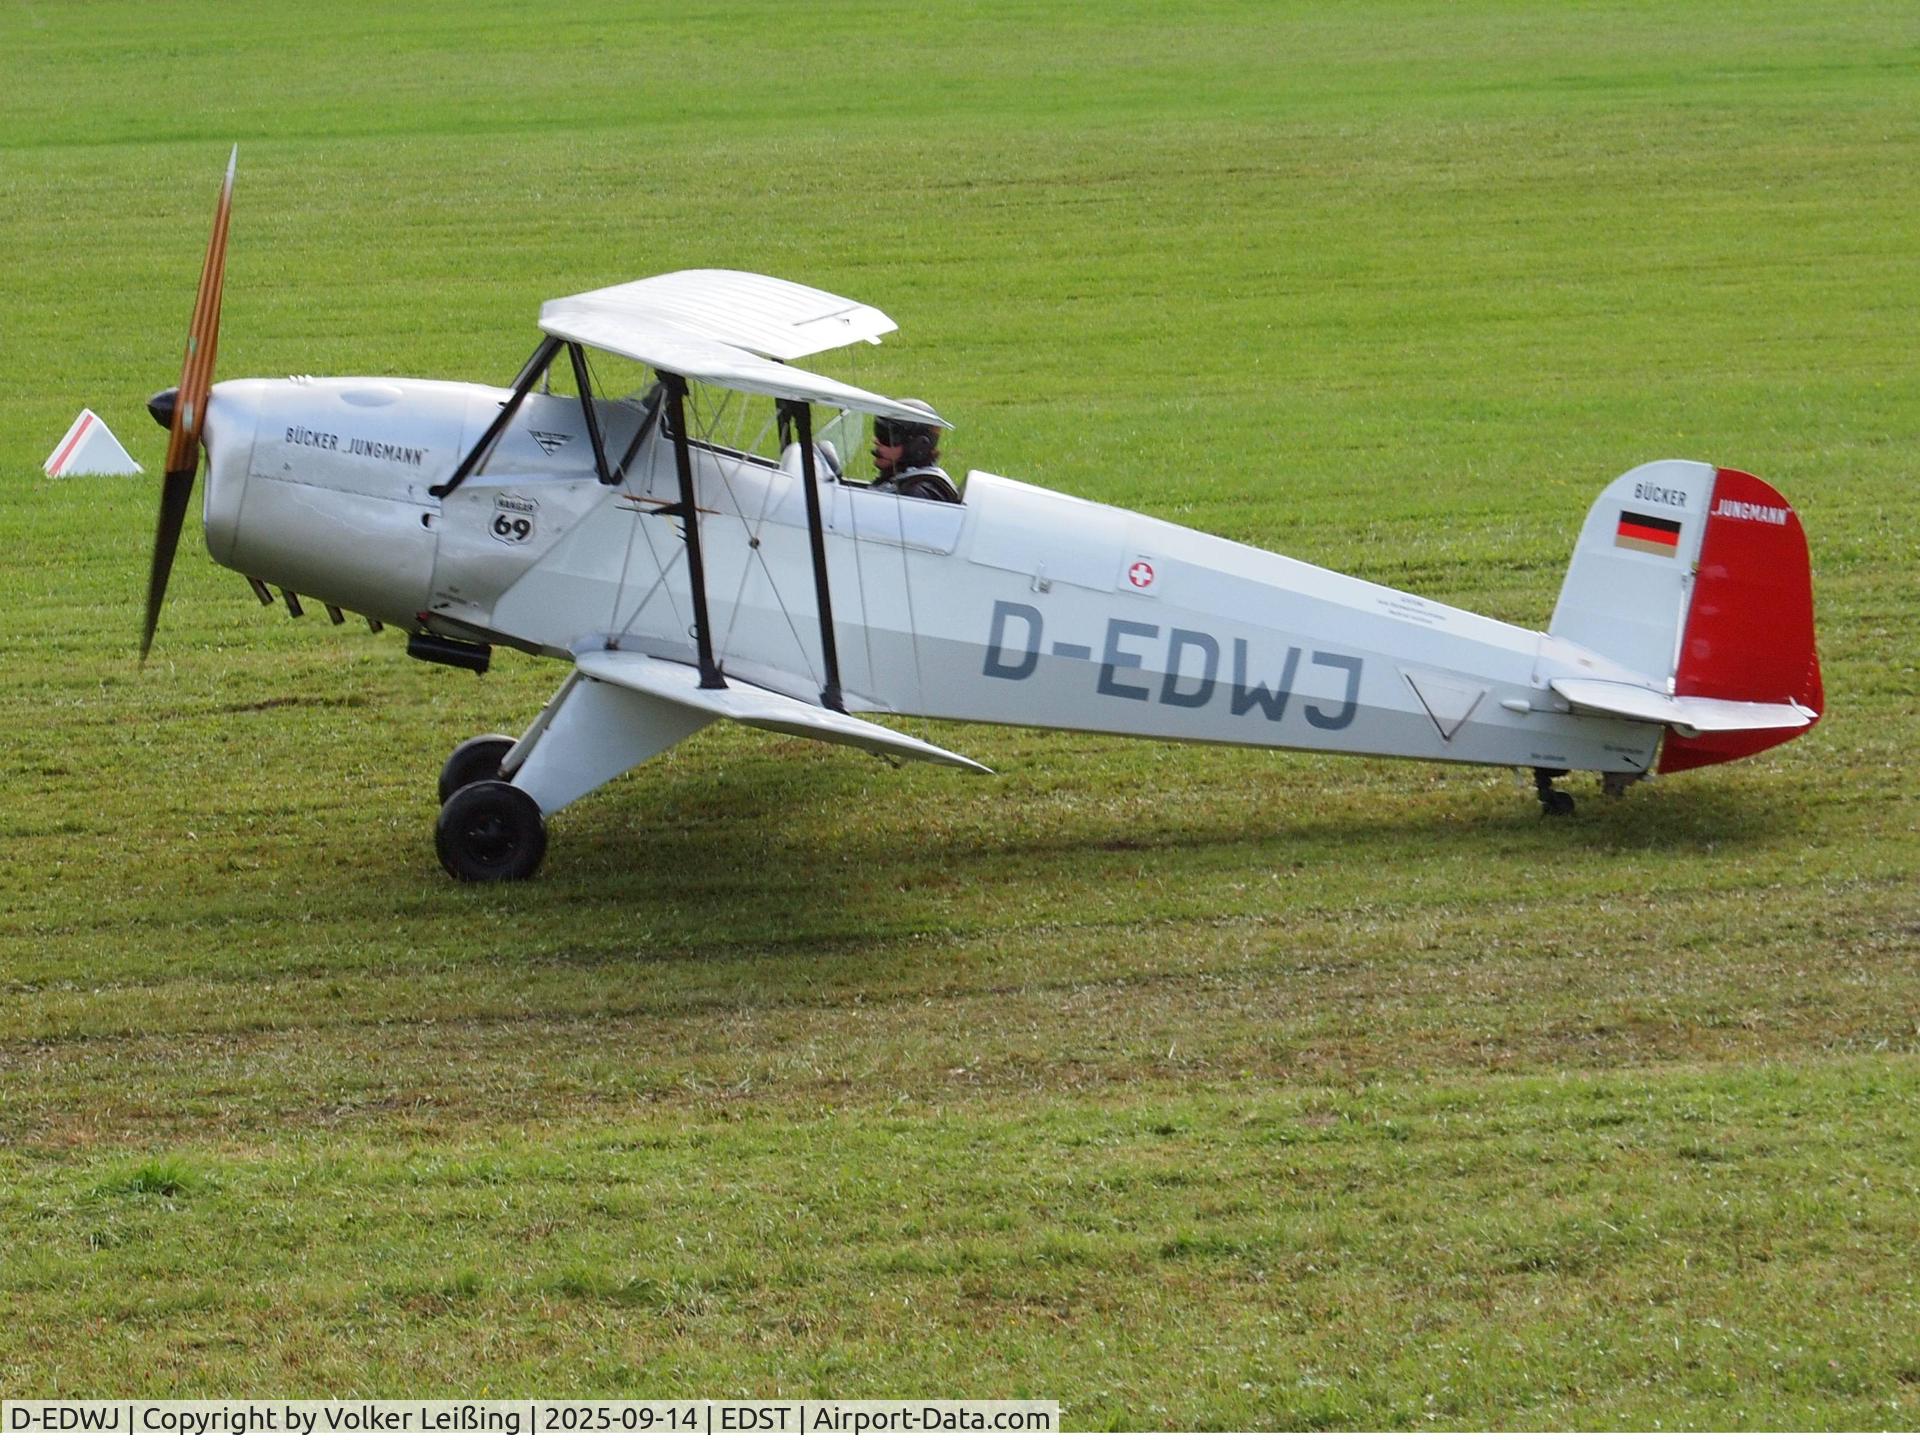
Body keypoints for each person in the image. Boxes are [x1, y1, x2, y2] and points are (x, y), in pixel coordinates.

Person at [869, 403, 960, 503]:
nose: (876, 441)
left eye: (887, 438)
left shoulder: (916, 494)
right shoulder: (900, 482)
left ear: (917, 447)